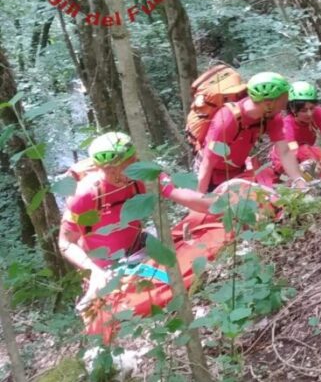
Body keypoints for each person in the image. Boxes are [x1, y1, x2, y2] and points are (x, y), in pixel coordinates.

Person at [58, 132, 213, 310]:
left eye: (133, 162)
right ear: (106, 168)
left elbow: (181, 195)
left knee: (181, 279)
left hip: (139, 250)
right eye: (124, 167)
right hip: (105, 268)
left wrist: (223, 205)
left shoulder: (143, 175)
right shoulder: (84, 195)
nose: (129, 171)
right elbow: (65, 242)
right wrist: (93, 271)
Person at [195, 71, 307, 192]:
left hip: (236, 171)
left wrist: (298, 180)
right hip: (210, 174)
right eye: (283, 101)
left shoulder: (272, 118)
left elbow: (284, 152)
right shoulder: (226, 120)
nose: (285, 105)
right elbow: (207, 162)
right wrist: (199, 196)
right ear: (269, 103)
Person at [270, 81, 321, 177]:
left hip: (306, 153)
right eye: (304, 110)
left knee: (316, 154)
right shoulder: (287, 124)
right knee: (309, 154)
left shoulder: (318, 113)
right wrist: (316, 162)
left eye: (312, 108)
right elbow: (292, 152)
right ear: (293, 109)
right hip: (285, 159)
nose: (309, 113)